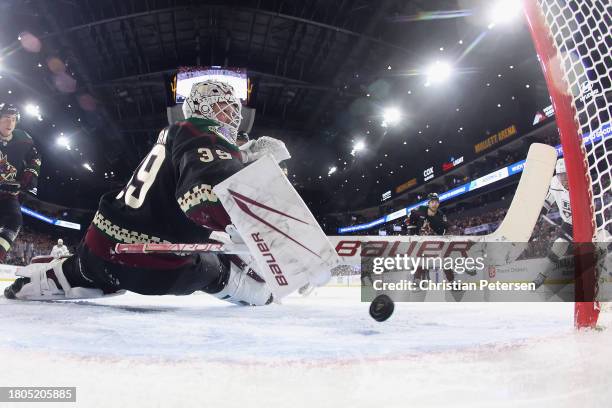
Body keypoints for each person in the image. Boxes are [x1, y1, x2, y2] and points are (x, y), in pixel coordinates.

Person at [5, 80, 290, 305]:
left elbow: (196, 168)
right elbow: (205, 200)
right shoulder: (201, 132)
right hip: (153, 266)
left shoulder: (173, 135)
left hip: (99, 248)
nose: (231, 116)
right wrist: (255, 184)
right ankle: (255, 288)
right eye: (222, 107)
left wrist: (240, 158)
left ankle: (52, 277)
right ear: (201, 111)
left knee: (84, 269)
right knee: (252, 288)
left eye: (232, 109)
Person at [0, 103, 41, 263]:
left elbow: (36, 157)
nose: (10, 123)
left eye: (13, 119)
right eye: (5, 118)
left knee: (15, 220)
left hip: (9, 194)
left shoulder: (24, 139)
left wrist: (30, 175)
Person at [532, 158, 573, 289]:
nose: (564, 179)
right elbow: (549, 200)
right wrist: (541, 211)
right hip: (569, 223)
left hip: (587, 221)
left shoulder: (580, 182)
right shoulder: (555, 182)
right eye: (561, 175)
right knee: (558, 247)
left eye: (566, 175)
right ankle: (541, 277)